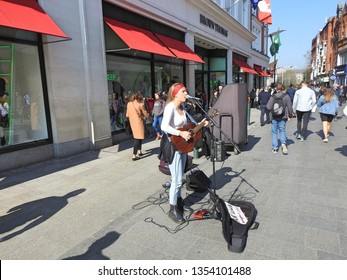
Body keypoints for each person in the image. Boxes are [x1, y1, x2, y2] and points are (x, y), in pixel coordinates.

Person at [161, 83, 208, 223]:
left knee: (180, 177)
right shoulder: (170, 107)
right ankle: (172, 209)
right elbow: (163, 126)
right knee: (176, 180)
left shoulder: (183, 108)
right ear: (175, 94)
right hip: (173, 146)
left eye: (186, 91)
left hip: (182, 146)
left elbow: (189, 126)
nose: (186, 93)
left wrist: (201, 124)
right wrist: (180, 133)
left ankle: (179, 202)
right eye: (183, 91)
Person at [266, 83, 293, 155]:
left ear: (276, 88)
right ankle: (283, 144)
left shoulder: (273, 96)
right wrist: (290, 115)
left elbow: (268, 107)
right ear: (282, 88)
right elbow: (290, 107)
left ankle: (275, 148)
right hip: (283, 116)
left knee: (274, 132)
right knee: (282, 130)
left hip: (274, 117)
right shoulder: (286, 96)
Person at [126, 92, 152, 160]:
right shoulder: (140, 104)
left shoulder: (129, 104)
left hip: (132, 123)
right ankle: (134, 155)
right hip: (139, 123)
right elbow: (146, 114)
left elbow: (127, 115)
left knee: (139, 137)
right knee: (137, 139)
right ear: (139, 98)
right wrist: (151, 120)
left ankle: (139, 151)